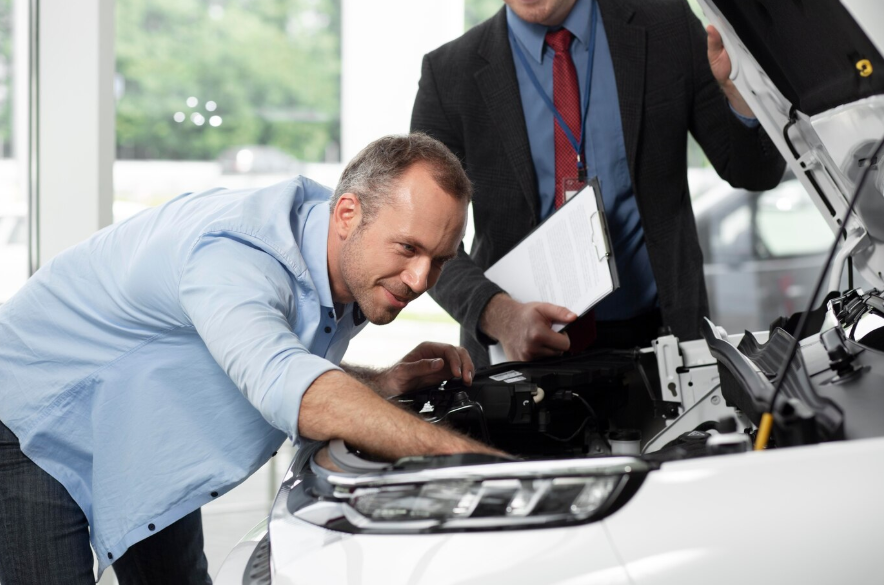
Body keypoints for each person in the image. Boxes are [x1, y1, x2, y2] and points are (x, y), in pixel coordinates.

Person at [0, 133, 502, 584]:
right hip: (35, 418)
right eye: (408, 249)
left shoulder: (347, 261)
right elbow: (291, 386)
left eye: (439, 260)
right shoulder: (235, 255)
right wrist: (493, 473)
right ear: (348, 213)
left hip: (139, 430)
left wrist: (385, 382)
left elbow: (274, 356)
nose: (419, 280)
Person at [411, 0, 786, 368]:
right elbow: (423, 242)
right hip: (517, 352)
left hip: (663, 338)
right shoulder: (448, 74)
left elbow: (754, 172)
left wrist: (740, 89)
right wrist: (499, 314)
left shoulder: (668, 26)